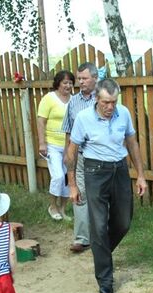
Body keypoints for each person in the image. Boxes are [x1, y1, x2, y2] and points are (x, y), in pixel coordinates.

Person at [65, 79, 147, 293]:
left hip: (119, 170)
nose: (110, 107)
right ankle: (105, 280)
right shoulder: (83, 119)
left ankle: (101, 254)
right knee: (99, 226)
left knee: (123, 222)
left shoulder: (124, 113)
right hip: (95, 172)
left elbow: (132, 143)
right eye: (105, 103)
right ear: (96, 99)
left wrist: (140, 175)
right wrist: (72, 185)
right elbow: (71, 152)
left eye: (113, 102)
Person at [61, 62, 98, 252]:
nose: (81, 82)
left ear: (95, 78)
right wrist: (69, 156)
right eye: (79, 79)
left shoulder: (102, 99)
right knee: (80, 194)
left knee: (100, 196)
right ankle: (82, 239)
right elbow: (68, 133)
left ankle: (102, 235)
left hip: (100, 158)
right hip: (81, 156)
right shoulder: (73, 103)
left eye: (84, 78)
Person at [36, 70, 74, 221]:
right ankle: (52, 206)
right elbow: (40, 121)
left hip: (69, 145)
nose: (68, 85)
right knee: (58, 176)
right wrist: (41, 143)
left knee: (67, 178)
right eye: (65, 82)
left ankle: (63, 209)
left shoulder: (74, 100)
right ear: (58, 83)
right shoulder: (49, 98)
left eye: (71, 83)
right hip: (52, 145)